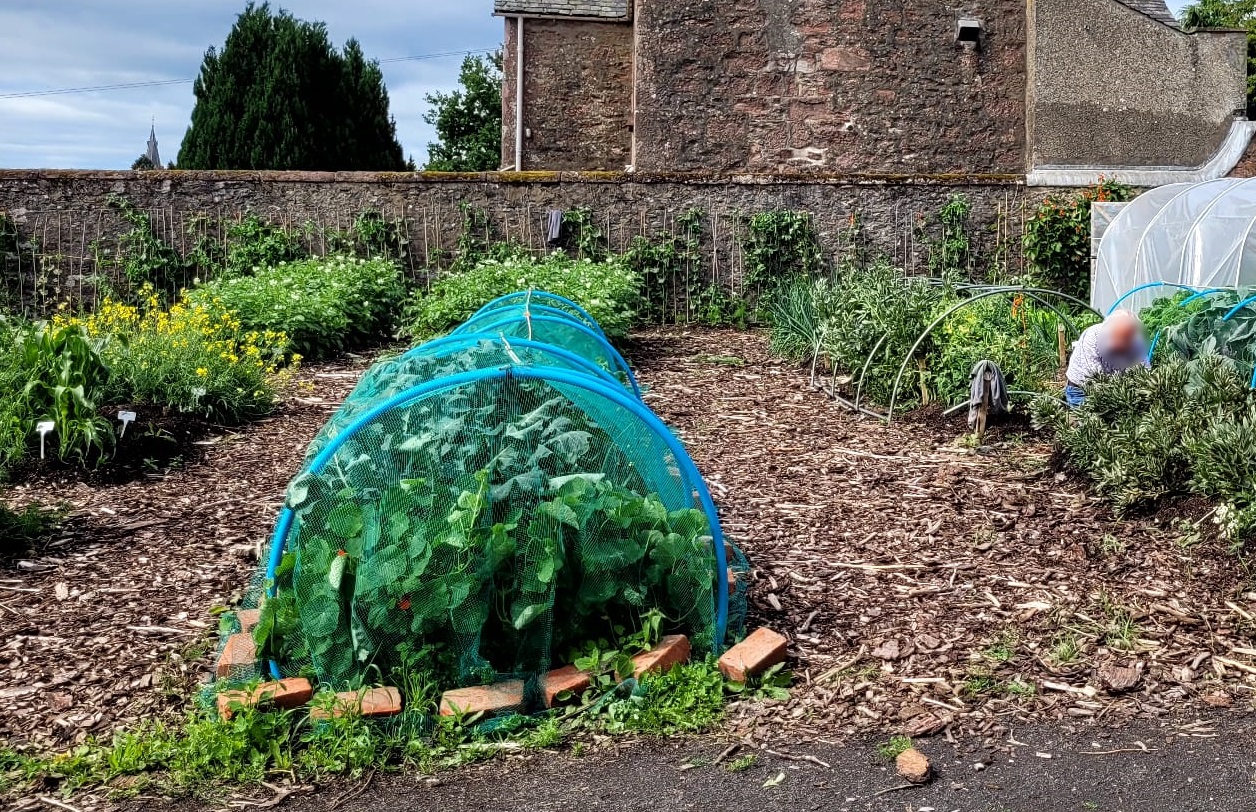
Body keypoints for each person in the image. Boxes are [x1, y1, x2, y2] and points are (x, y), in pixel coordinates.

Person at [1064, 310, 1149, 408]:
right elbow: (1095, 378)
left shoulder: (1137, 342)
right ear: (1109, 329)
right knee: (1087, 420)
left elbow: (1144, 369)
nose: (1121, 343)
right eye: (1117, 337)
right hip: (1082, 389)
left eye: (1126, 339)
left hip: (1116, 391)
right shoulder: (1092, 336)